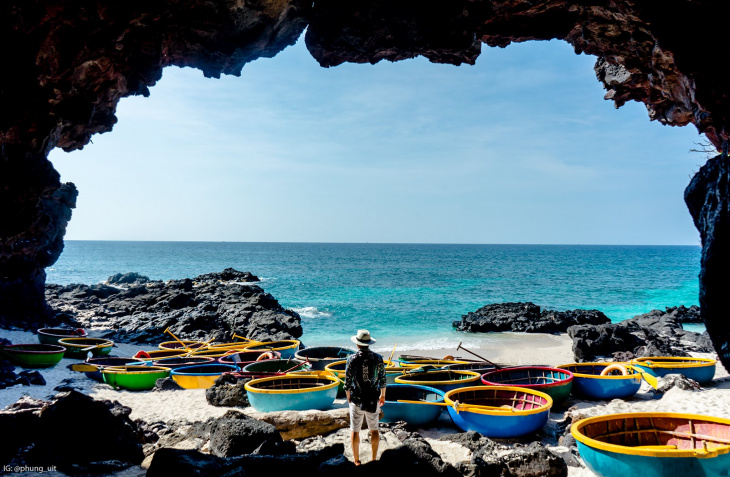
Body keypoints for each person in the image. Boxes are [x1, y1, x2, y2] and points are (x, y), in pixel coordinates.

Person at [344, 329, 386, 466]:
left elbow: (347, 382)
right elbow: (382, 380)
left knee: (355, 430)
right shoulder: (378, 358)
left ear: (357, 344)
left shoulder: (351, 359)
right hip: (373, 399)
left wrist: (349, 397)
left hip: (357, 399)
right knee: (374, 430)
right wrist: (383, 395)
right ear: (369, 343)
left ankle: (356, 461)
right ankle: (374, 459)